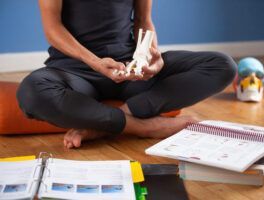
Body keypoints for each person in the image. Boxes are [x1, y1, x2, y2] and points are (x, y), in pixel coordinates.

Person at [17, 0, 237, 149]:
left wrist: (149, 58)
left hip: (129, 69)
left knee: (222, 65)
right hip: (74, 71)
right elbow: (52, 28)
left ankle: (103, 126)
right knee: (31, 92)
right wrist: (95, 62)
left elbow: (143, 21)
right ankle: (142, 127)